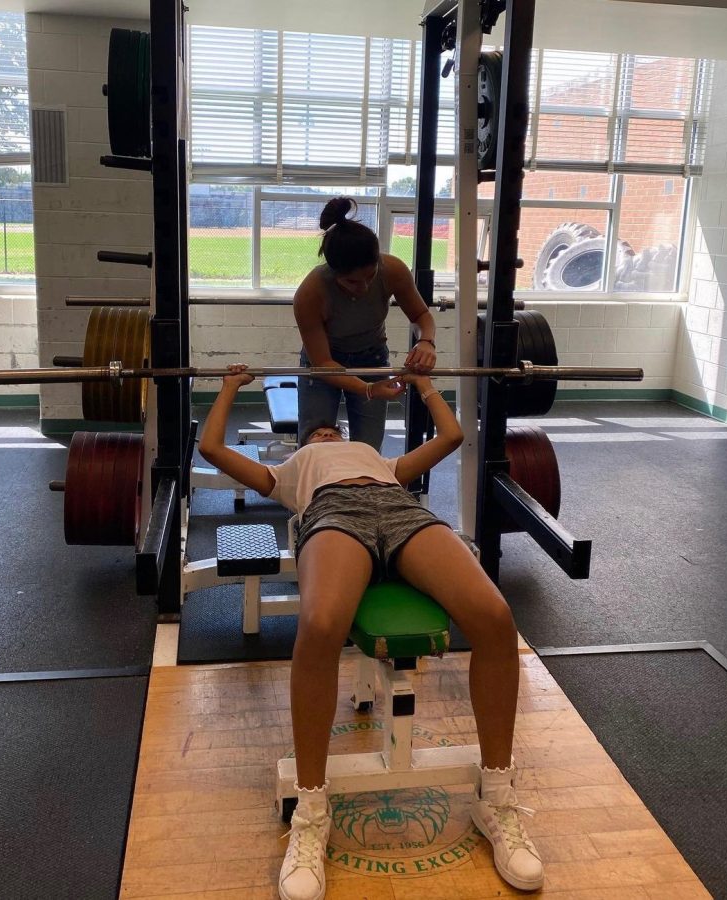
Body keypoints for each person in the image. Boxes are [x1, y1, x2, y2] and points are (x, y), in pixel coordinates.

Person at [199, 365, 544, 900]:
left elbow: (452, 436)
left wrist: (422, 383)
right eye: (317, 431)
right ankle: (312, 810)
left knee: (496, 619)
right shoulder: (292, 468)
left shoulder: (382, 460)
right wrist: (227, 387)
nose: (326, 433)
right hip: (332, 513)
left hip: (400, 508)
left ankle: (495, 795)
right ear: (303, 440)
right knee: (318, 625)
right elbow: (212, 450)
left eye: (331, 430)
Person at [293, 196, 437, 451]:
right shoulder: (310, 293)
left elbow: (421, 316)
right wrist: (369, 389)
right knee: (315, 444)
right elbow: (324, 363)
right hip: (324, 363)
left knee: (368, 448)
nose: (364, 287)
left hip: (372, 359)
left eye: (370, 277)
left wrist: (426, 341)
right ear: (335, 272)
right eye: (352, 282)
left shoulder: (392, 269)